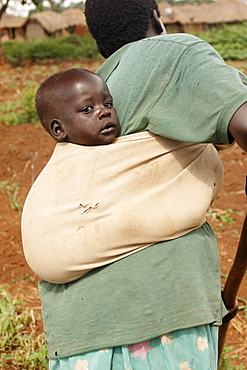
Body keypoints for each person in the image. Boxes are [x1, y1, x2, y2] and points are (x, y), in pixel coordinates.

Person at [36, 1, 247, 369]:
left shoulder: (92, 83)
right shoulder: (176, 53)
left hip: (77, 328)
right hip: (159, 318)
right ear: (154, 16)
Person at [22, 68, 222, 284]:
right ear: (59, 130)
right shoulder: (64, 171)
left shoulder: (132, 149)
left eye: (108, 104)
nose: (104, 112)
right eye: (87, 109)